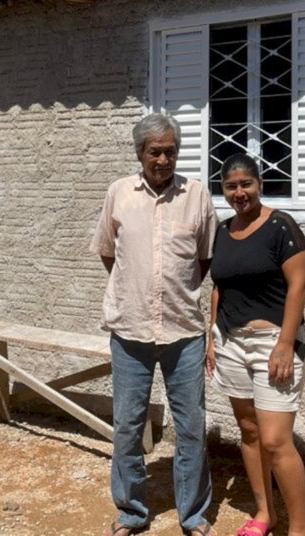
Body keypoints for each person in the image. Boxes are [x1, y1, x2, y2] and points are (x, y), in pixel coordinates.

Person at [91, 113, 220, 536]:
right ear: (140, 153)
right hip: (130, 332)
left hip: (184, 332)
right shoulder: (119, 194)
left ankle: (194, 514)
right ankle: (132, 512)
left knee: (191, 428)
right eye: (155, 152)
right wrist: (137, 289)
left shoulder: (197, 195)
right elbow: (109, 253)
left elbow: (204, 260)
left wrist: (173, 292)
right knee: (128, 426)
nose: (163, 160)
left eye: (170, 151)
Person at [206, 153, 305, 536]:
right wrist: (211, 336)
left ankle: (299, 529)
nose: (239, 193)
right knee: (249, 431)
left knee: (275, 438)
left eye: (246, 184)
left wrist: (286, 343)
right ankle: (265, 512)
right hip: (231, 341)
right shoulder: (222, 230)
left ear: (259, 184)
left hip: (273, 342)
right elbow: (219, 286)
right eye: (231, 186)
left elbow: (298, 285)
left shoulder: (281, 227)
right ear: (223, 189)